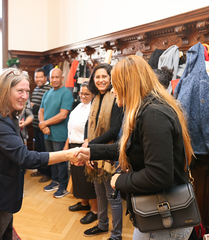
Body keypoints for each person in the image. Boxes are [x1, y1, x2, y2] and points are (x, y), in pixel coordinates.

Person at [76, 55, 194, 240]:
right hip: (156, 213)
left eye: (115, 84)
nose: (113, 90)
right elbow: (131, 148)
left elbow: (158, 176)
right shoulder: (147, 109)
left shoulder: (153, 114)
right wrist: (91, 151)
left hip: (164, 219)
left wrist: (118, 180)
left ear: (128, 85)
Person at [0, 68, 86, 240]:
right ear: (4, 91)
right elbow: (25, 157)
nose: (25, 96)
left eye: (27, 91)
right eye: (20, 91)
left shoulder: (7, 114)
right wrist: (67, 154)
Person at [82, 63, 123, 240]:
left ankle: (117, 235)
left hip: (108, 154)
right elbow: (88, 123)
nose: (100, 80)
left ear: (111, 78)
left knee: (112, 195)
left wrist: (90, 146)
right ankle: (102, 224)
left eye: (104, 76)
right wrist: (86, 140)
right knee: (99, 192)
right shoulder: (96, 97)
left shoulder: (115, 97)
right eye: (97, 77)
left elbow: (114, 130)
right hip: (95, 150)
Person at [64, 81, 98, 224]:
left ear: (93, 94)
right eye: (81, 93)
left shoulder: (94, 109)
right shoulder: (79, 106)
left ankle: (95, 210)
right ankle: (84, 203)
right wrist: (67, 145)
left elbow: (93, 130)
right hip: (74, 144)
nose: (83, 96)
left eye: (86, 94)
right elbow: (71, 128)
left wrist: (86, 146)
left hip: (84, 146)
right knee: (78, 178)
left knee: (89, 180)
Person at [39, 68, 74, 198]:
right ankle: (54, 181)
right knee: (51, 159)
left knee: (61, 161)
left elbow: (63, 115)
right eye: (52, 77)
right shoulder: (47, 93)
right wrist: (43, 126)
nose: (54, 80)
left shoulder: (66, 93)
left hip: (60, 134)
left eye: (57, 77)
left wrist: (44, 124)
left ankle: (63, 186)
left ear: (62, 78)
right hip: (47, 133)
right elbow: (40, 111)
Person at [30, 67, 53, 182]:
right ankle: (40, 170)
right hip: (35, 125)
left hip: (44, 126)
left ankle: (47, 173)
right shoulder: (35, 90)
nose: (38, 79)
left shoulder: (49, 89)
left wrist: (33, 107)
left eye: (40, 77)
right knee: (38, 149)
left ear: (45, 78)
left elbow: (47, 109)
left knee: (45, 150)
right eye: (36, 77)